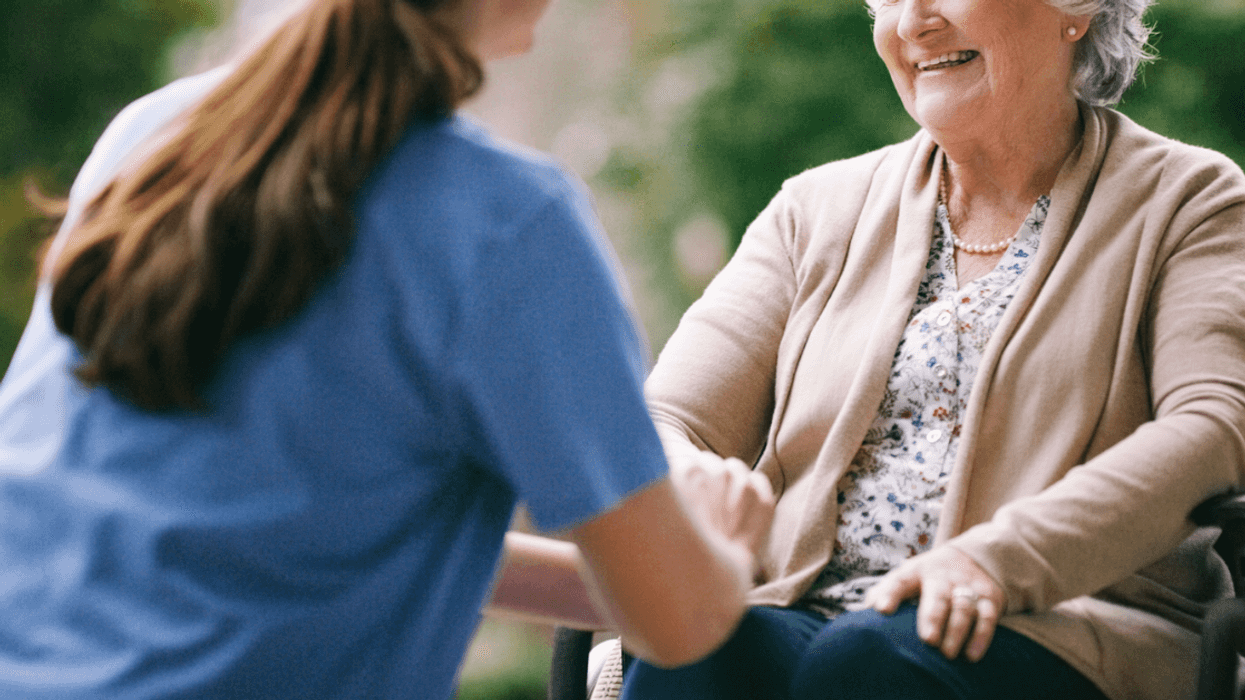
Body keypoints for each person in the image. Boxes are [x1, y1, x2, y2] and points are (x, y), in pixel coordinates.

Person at [0, 0, 775, 698]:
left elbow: (288, 546)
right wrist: (724, 552)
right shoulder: (508, 225)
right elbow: (679, 625)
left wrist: (634, 577)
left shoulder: (154, 134)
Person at [616, 0, 1245, 699]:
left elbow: (1211, 428)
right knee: (701, 652)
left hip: (1063, 627)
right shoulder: (813, 209)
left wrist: (999, 562)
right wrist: (695, 487)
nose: (911, 20)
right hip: (805, 612)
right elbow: (667, 422)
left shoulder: (1190, 201)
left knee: (866, 662)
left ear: (1074, 14)